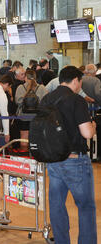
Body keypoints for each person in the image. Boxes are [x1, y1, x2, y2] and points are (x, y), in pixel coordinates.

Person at [39, 66, 97, 243]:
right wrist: (93, 126)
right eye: (80, 82)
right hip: (75, 161)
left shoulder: (46, 99)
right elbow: (87, 133)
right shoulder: (76, 100)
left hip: (53, 159)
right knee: (85, 206)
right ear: (75, 81)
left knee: (57, 205)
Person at [14, 70, 48, 151]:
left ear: (25, 77)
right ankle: (36, 157)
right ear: (35, 78)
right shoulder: (42, 88)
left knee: (24, 139)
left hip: (24, 116)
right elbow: (46, 102)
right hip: (38, 117)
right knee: (37, 138)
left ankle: (25, 157)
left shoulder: (20, 87)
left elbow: (17, 101)